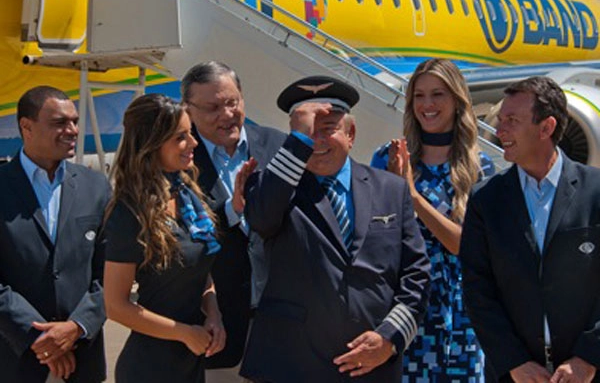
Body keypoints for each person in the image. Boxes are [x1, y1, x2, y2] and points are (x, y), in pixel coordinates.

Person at [239, 75, 431, 382]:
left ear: (351, 133)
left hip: (372, 367)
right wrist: (296, 142)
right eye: (307, 133)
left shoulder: (390, 190)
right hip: (292, 366)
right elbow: (262, 220)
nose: (317, 142)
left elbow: (416, 274)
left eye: (328, 129)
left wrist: (389, 338)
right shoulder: (272, 188)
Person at [460, 76, 600, 383]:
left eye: (512, 120)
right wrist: (514, 362)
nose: (499, 131)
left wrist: (589, 357)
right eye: (501, 120)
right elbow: (477, 290)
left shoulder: (596, 191)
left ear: (546, 128)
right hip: (516, 375)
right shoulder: (486, 200)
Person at [371, 58, 495, 381]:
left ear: (457, 100)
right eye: (419, 95)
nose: (427, 105)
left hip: (460, 322)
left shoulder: (479, 167)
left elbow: (464, 246)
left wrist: (413, 198)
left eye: (438, 94)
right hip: (406, 313)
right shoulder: (388, 157)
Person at [103, 94, 225, 383]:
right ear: (151, 144)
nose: (194, 143)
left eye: (191, 134)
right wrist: (184, 333)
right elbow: (116, 306)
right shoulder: (129, 213)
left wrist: (213, 314)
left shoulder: (186, 195)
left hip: (190, 357)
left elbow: (199, 271)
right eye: (181, 138)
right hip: (151, 367)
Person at [181, 62, 286, 381]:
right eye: (213, 107)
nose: (227, 114)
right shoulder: (177, 159)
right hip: (218, 327)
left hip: (282, 324)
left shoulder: (277, 145)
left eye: (232, 102)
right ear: (188, 109)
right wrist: (232, 209)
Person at [0, 85, 110, 382]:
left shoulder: (96, 187)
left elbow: (110, 273)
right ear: (27, 127)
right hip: (15, 361)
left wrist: (75, 328)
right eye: (60, 122)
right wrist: (40, 339)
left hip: (82, 360)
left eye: (74, 121)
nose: (73, 130)